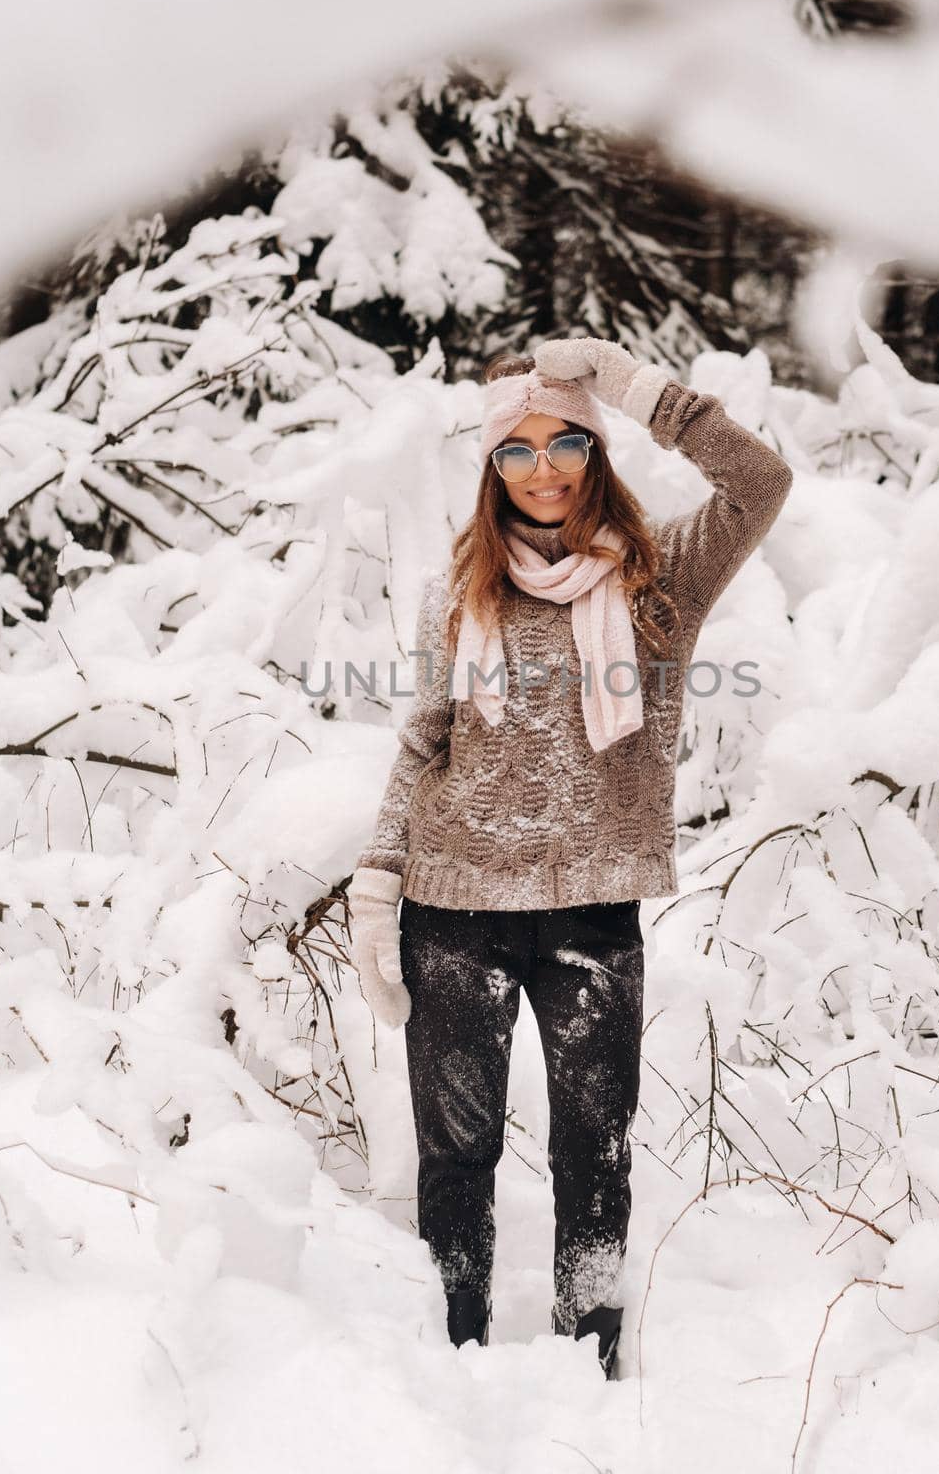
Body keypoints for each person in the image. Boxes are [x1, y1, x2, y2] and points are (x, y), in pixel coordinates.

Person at [346, 335, 793, 1379]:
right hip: (451, 907)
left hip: (593, 914)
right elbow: (424, 742)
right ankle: (450, 1358)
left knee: (594, 1151)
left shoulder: (662, 577)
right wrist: (377, 884)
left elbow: (759, 479)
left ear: (597, 452)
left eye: (565, 443)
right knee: (455, 1155)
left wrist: (628, 382)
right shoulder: (457, 593)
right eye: (516, 450)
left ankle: (589, 1366)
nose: (540, 469)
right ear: (490, 470)